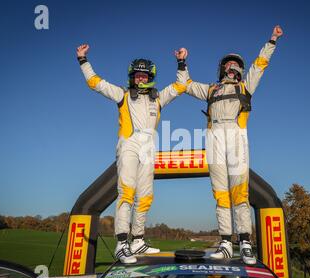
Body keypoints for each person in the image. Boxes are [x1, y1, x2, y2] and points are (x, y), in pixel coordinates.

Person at [177, 25, 284, 264]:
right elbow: (185, 85)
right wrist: (182, 63)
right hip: (214, 135)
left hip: (236, 135)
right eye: (228, 64)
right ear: (221, 69)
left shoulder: (246, 87)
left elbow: (260, 65)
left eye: (235, 64)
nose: (232, 67)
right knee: (220, 192)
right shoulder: (210, 89)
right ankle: (226, 241)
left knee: (239, 192)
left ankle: (245, 242)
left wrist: (272, 40)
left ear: (240, 70)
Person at [76, 44, 188, 264]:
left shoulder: (159, 98)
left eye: (143, 75)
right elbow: (95, 83)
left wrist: (181, 62)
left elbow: (181, 85)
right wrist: (83, 60)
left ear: (150, 77)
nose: (139, 79)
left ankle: (137, 240)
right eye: (136, 75)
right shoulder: (123, 95)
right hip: (129, 143)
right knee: (126, 192)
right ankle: (121, 244)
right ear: (131, 77)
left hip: (149, 147)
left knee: (145, 196)